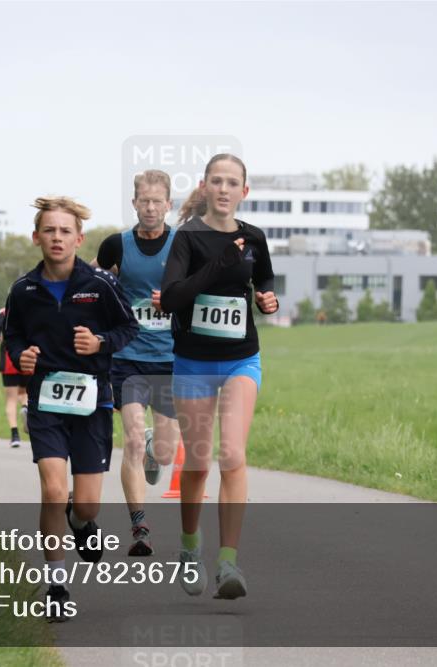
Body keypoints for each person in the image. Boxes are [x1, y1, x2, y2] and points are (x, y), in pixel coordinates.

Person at [3, 196, 139, 621]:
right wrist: (22, 355)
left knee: (87, 505)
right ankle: (56, 584)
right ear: (36, 237)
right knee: (52, 490)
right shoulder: (24, 289)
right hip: (45, 402)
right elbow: (13, 336)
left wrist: (100, 343)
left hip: (92, 404)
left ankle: (80, 525)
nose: (57, 237)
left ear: (79, 238)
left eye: (65, 231)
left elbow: (128, 327)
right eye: (50, 230)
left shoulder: (100, 285)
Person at [160, 154, 278, 600]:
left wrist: (268, 301)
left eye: (233, 182)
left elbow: (263, 283)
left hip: (240, 360)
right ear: (205, 187)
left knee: (231, 454)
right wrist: (219, 263)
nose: (225, 189)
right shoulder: (187, 238)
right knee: (197, 461)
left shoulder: (255, 238)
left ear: (244, 191)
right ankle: (191, 549)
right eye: (217, 181)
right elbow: (171, 298)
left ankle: (229, 561)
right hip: (192, 362)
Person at [94, 169, 180, 557]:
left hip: (169, 360)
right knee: (129, 438)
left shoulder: (183, 246)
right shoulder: (116, 246)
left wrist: (175, 300)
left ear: (168, 205)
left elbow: (197, 294)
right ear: (134, 203)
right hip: (127, 358)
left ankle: (152, 446)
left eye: (157, 201)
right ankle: (139, 525)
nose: (150, 207)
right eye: (143, 201)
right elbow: (96, 290)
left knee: (163, 452)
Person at [0, 306, 29, 448]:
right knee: (26, 393)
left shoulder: (3, 312)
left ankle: (14, 435)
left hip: (9, 359)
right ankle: (26, 407)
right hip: (29, 357)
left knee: (11, 398)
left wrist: (1, 338)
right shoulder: (34, 307)